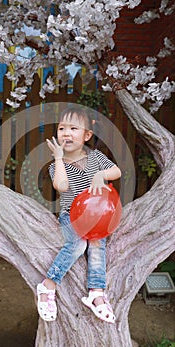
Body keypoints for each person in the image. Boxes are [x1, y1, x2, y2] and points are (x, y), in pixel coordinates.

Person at [37, 107, 121, 323]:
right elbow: (62, 186)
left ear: (86, 135)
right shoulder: (58, 166)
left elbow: (117, 172)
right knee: (77, 245)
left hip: (98, 218)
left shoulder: (96, 157)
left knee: (97, 244)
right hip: (71, 216)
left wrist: (101, 175)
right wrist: (58, 158)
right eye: (62, 128)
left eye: (73, 128)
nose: (66, 133)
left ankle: (96, 293)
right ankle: (48, 285)